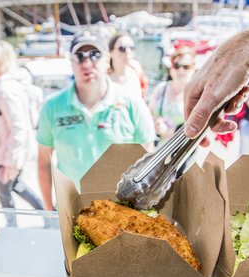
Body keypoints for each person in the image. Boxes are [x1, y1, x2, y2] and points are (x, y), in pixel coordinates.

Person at [37, 29, 156, 210]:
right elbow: (44, 161)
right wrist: (49, 210)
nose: (87, 63)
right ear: (71, 62)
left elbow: (149, 158)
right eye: (79, 56)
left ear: (107, 59)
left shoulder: (132, 103)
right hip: (72, 208)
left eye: (95, 55)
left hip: (121, 210)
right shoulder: (52, 106)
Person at [0, 40, 44, 226]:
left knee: (3, 190)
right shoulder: (0, 86)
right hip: (5, 152)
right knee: (16, 186)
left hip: (9, 154)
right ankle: (50, 216)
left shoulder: (6, 90)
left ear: (1, 62)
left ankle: (12, 225)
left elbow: (19, 126)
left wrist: (11, 161)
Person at [148, 47, 196, 143]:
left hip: (182, 151)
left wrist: (170, 131)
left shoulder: (196, 94)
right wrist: (156, 123)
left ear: (193, 69)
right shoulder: (161, 89)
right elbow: (147, 115)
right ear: (171, 68)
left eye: (186, 66)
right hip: (158, 149)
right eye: (177, 65)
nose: (181, 70)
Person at [108, 33, 148, 99]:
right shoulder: (103, 78)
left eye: (131, 48)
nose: (127, 51)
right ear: (111, 52)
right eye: (122, 48)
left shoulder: (137, 73)